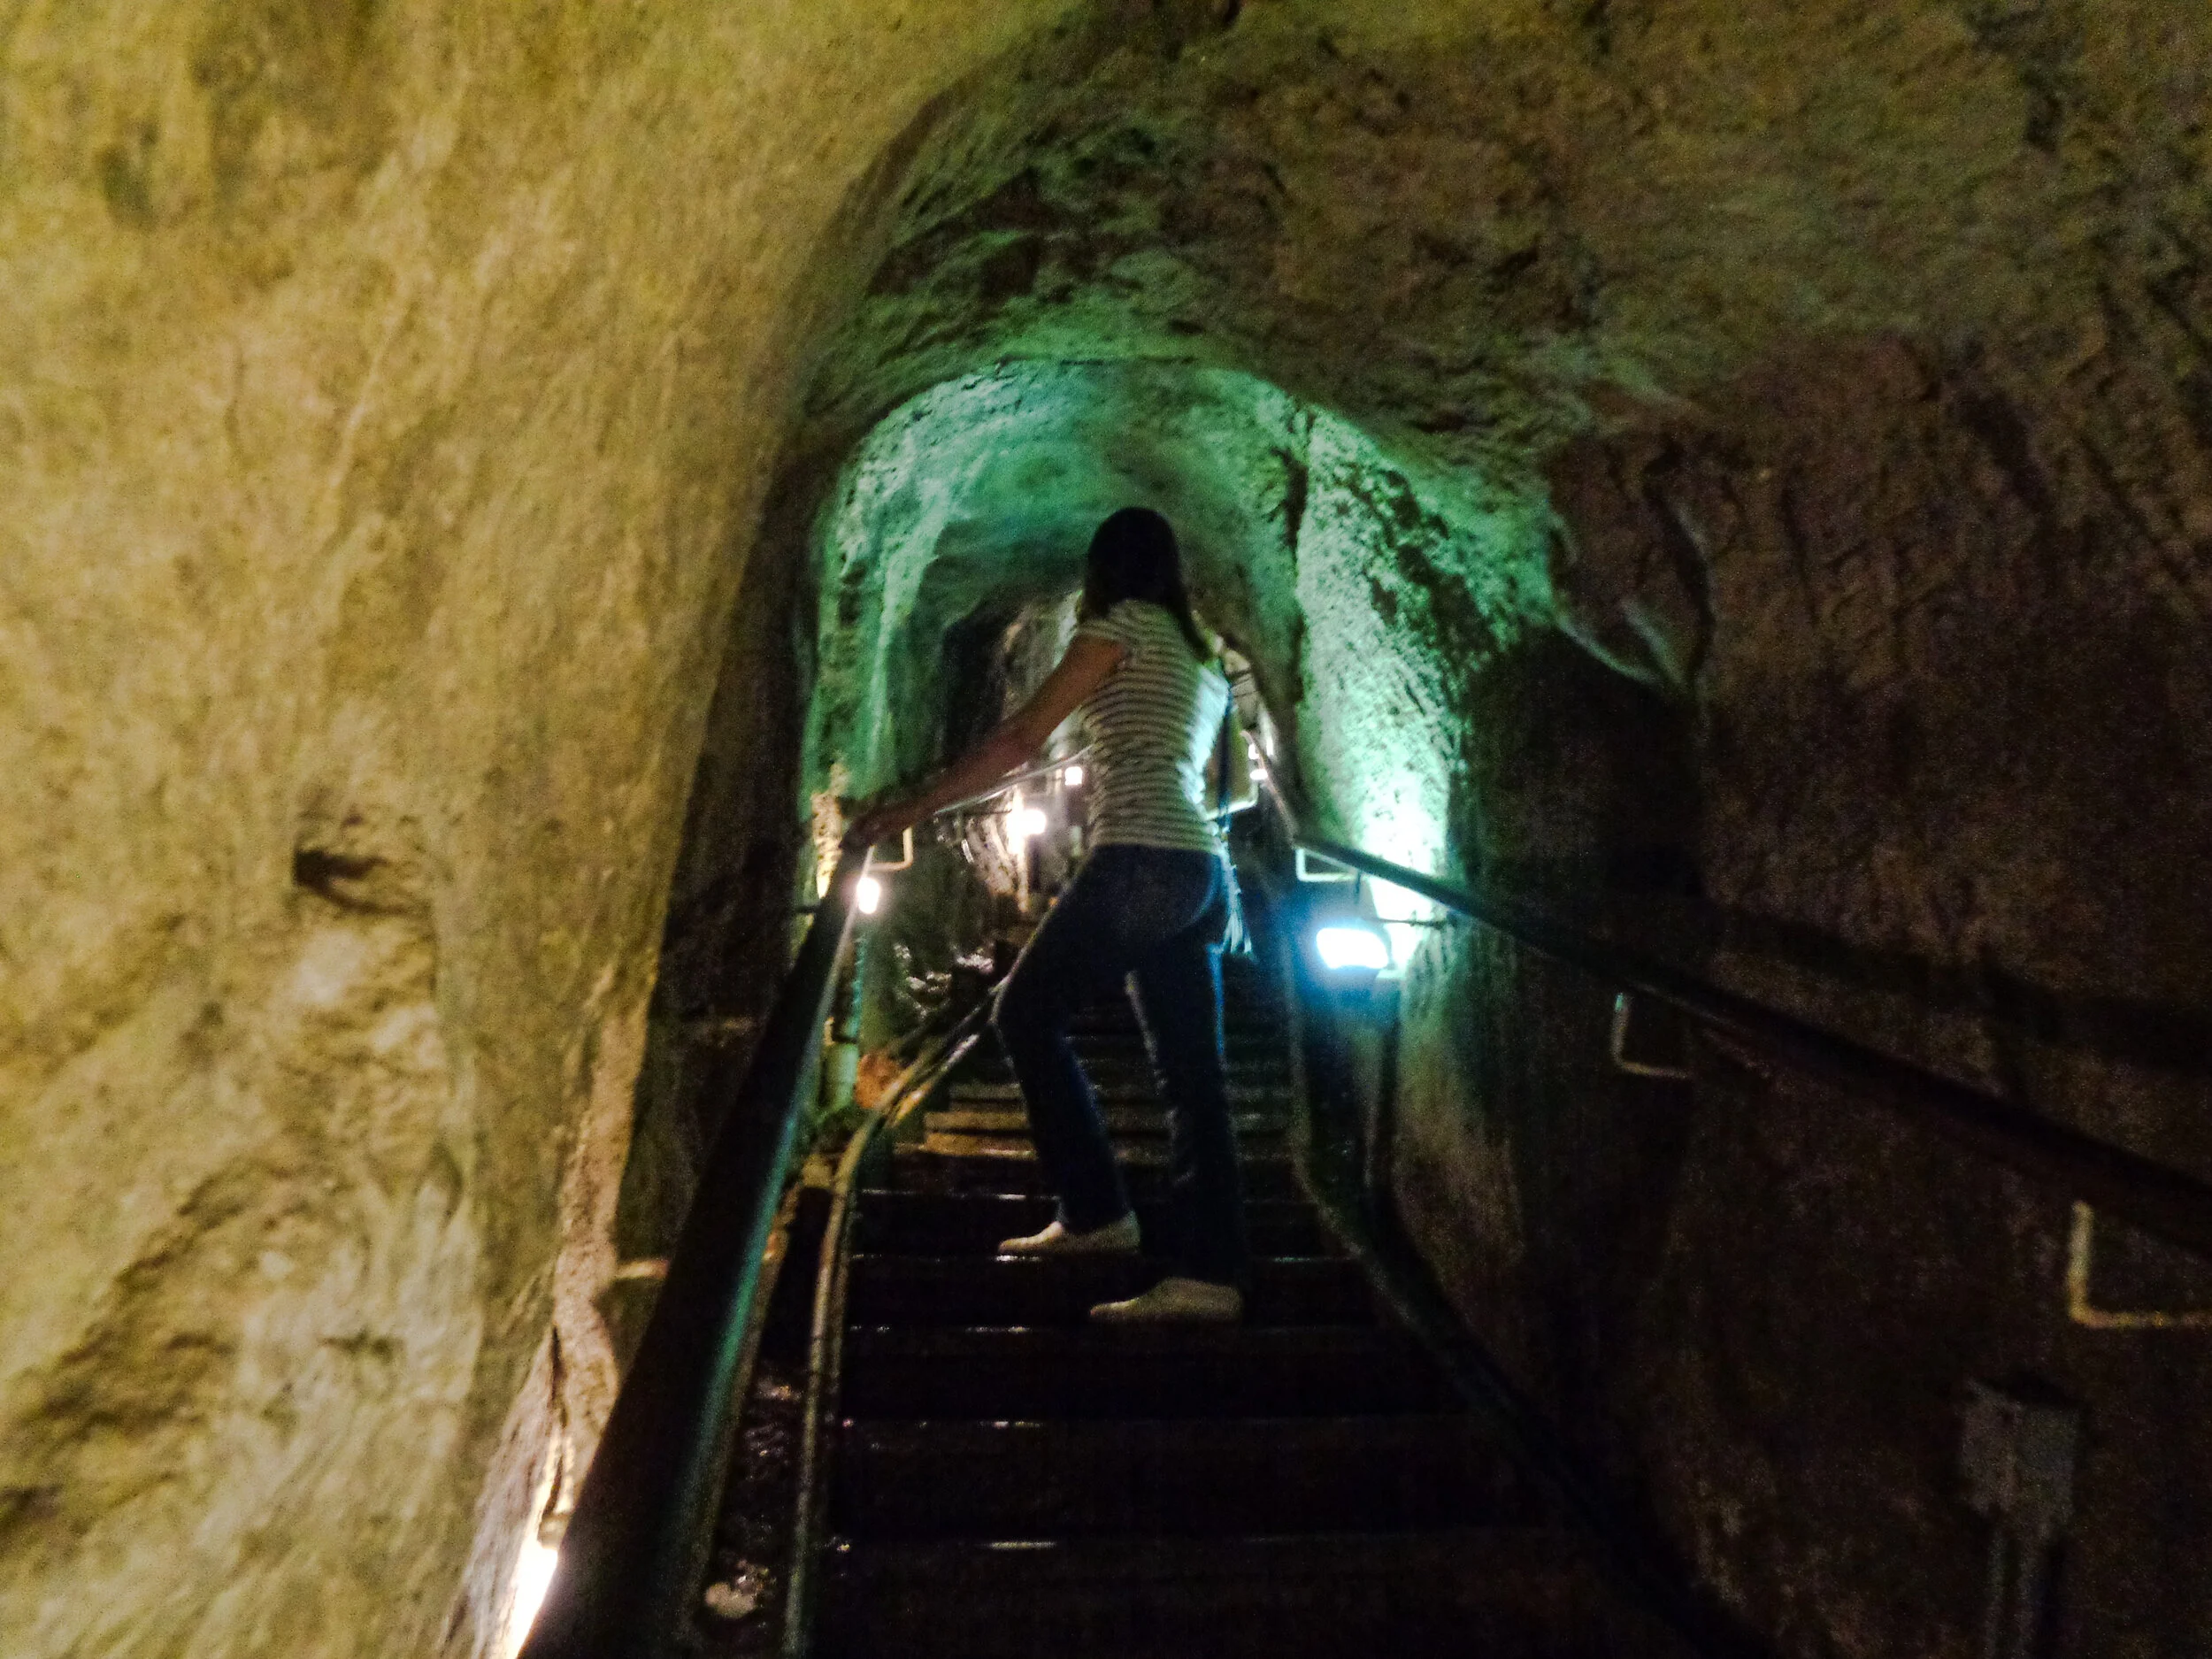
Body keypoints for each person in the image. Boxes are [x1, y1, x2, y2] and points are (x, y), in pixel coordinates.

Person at [845, 506, 1249, 1322]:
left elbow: (1022, 738)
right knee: (1192, 1077)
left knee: (1023, 1013)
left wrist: (913, 806)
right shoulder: (1200, 654)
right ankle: (1212, 1274)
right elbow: (1229, 785)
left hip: (1139, 855)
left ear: (1105, 570)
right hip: (1200, 868)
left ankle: (1097, 1210)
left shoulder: (1119, 627)